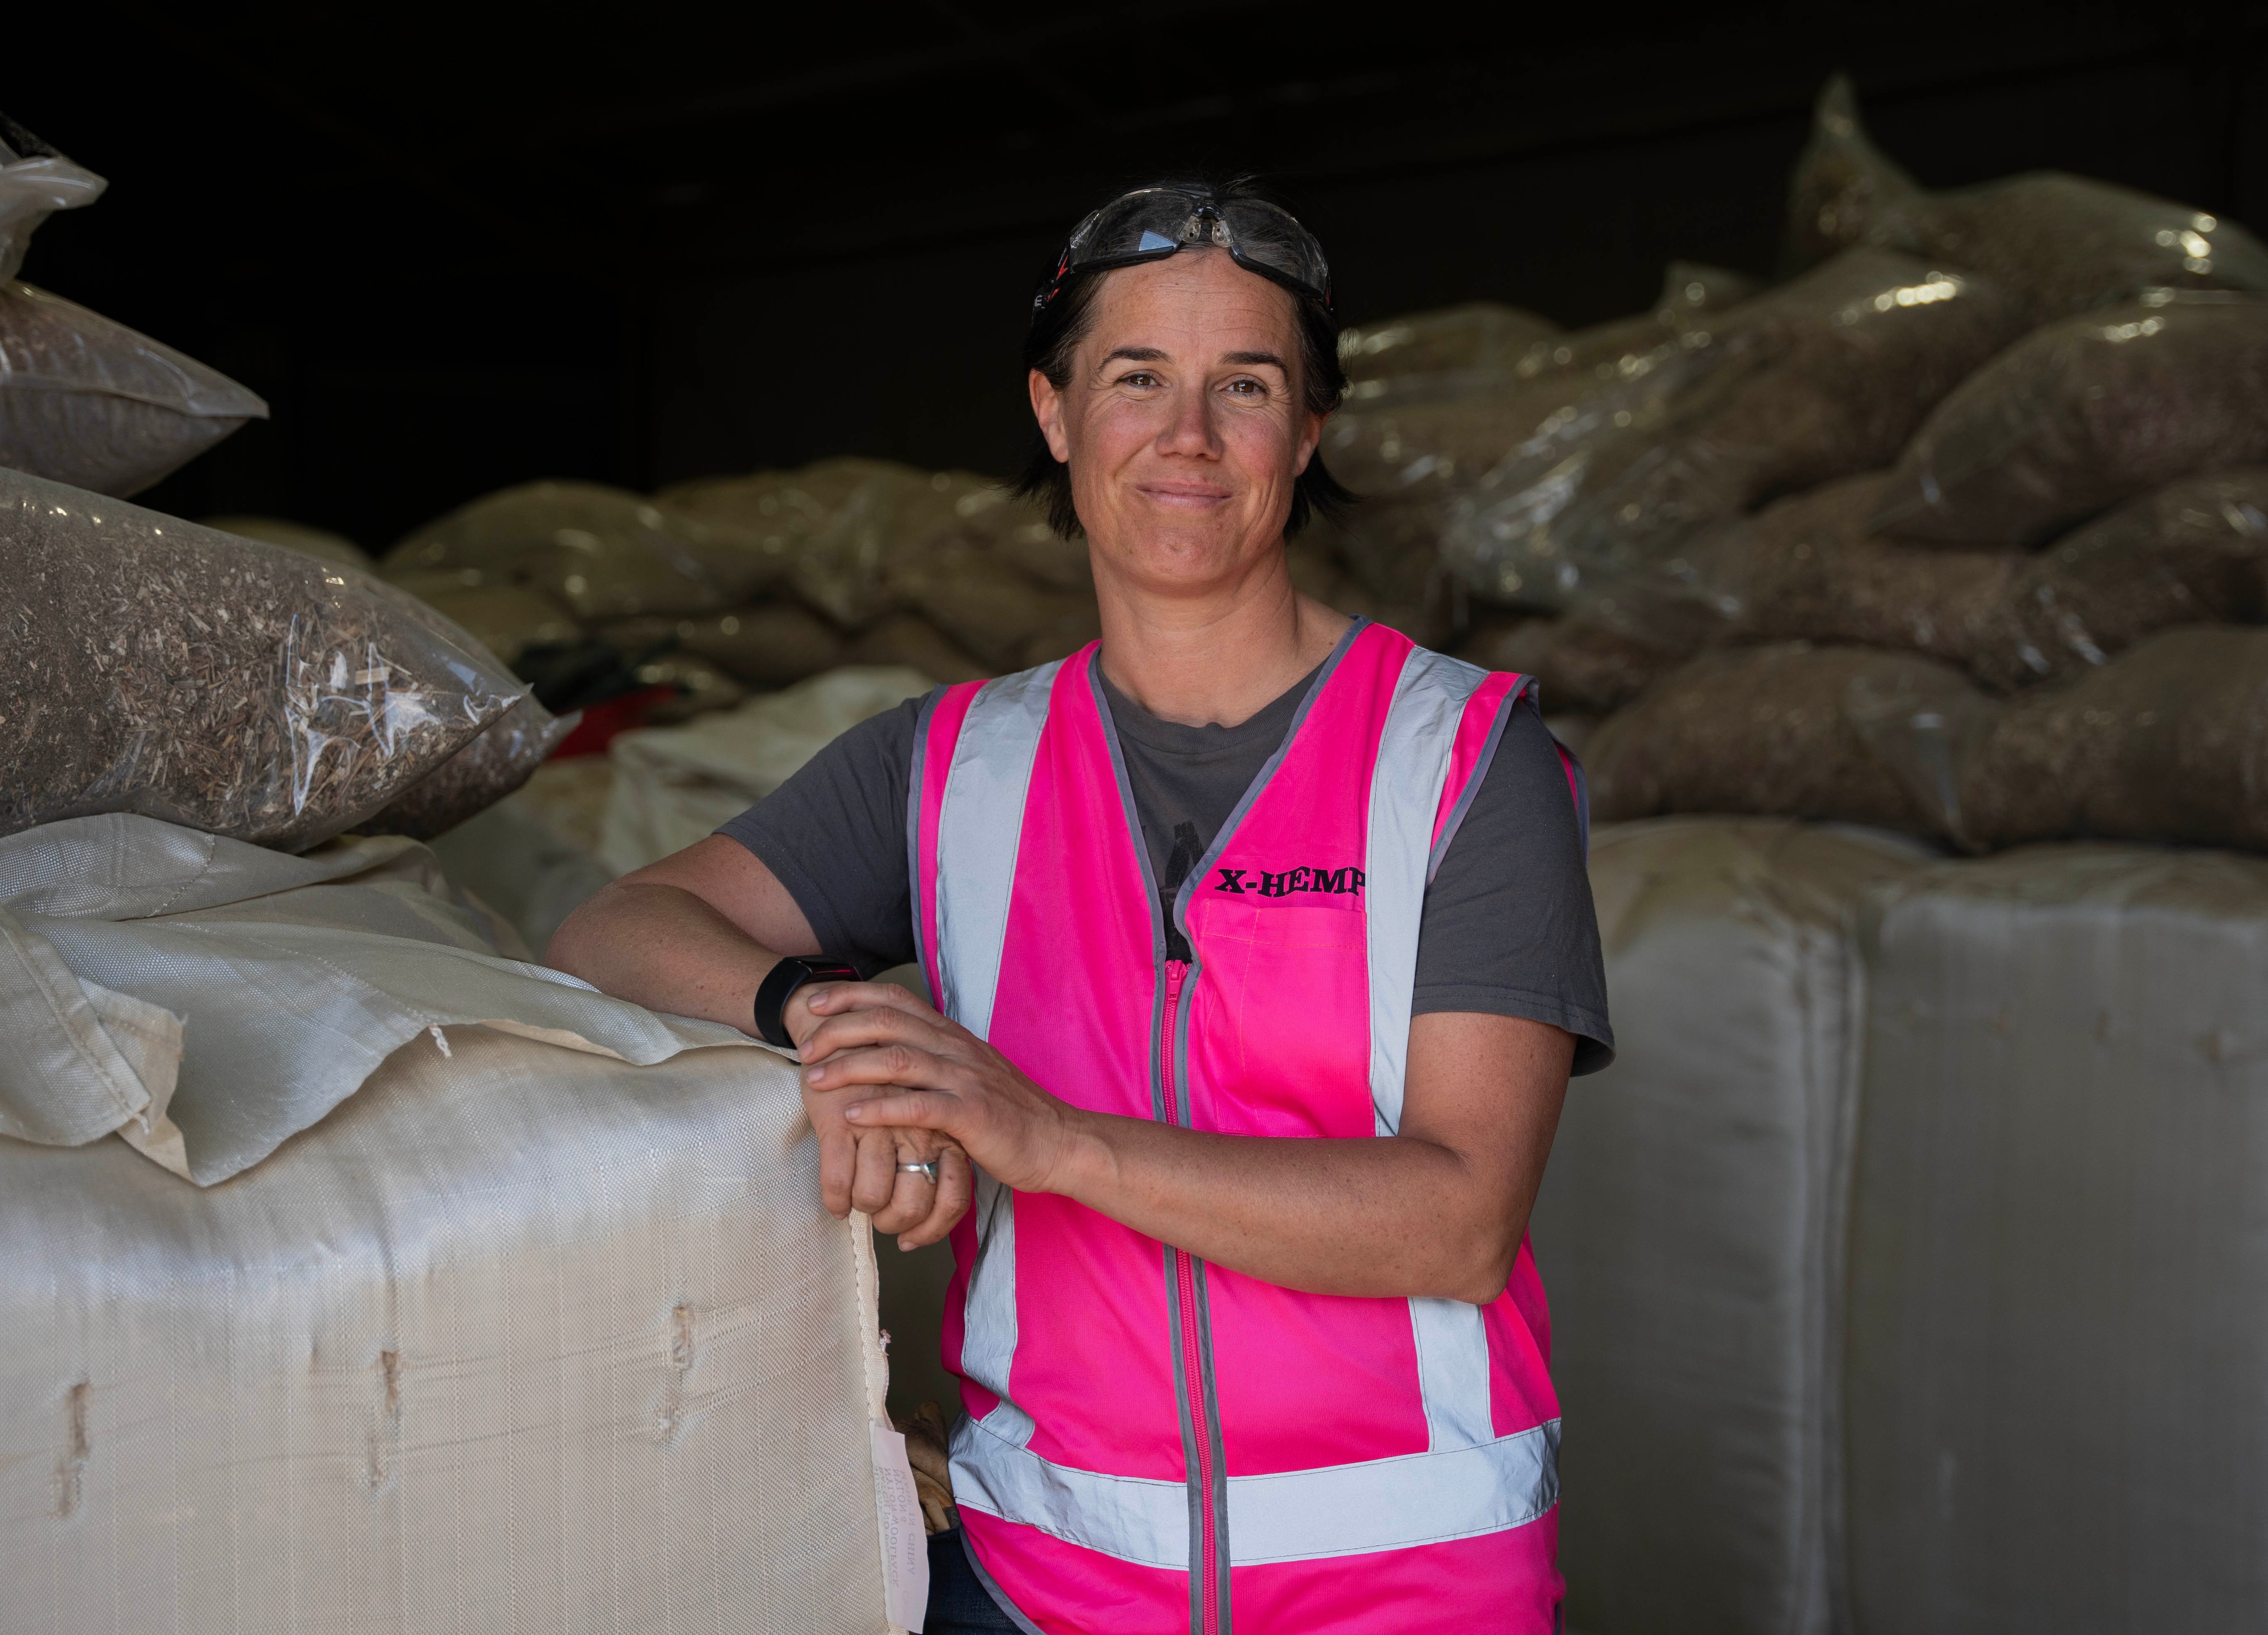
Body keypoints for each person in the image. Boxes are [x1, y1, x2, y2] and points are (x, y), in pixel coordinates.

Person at [547, 177, 1611, 1635]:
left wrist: (1037, 1133)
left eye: (1245, 384)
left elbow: (1455, 1222)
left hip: (1406, 1585)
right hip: (1039, 1579)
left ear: (1306, 435)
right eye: (1136, 379)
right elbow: (612, 932)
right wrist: (839, 1024)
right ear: (1054, 414)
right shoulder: (950, 765)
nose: (1187, 438)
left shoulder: (1467, 758)